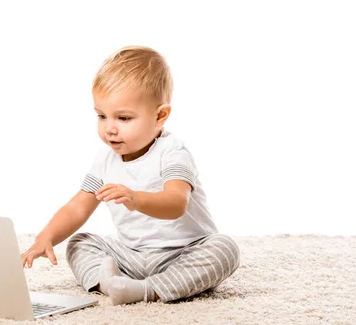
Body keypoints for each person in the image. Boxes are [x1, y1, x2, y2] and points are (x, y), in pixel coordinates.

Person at [20, 46, 240, 305]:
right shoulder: (105, 158)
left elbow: (176, 203)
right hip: (133, 256)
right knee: (79, 243)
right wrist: (46, 236)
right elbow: (78, 206)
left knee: (225, 249)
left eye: (123, 118)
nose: (109, 128)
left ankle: (147, 290)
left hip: (183, 252)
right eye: (102, 116)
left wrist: (137, 199)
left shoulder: (172, 153)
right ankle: (110, 284)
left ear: (160, 116)